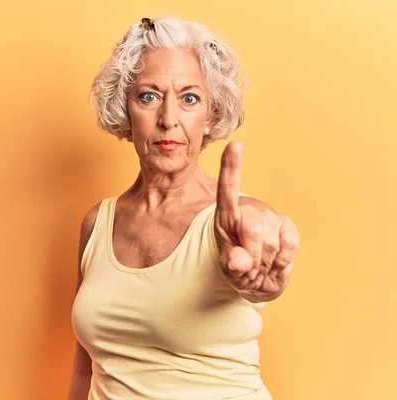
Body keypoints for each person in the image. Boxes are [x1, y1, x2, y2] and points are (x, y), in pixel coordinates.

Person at [69, 16, 300, 400]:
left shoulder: (236, 222)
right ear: (126, 109)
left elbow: (259, 244)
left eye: (189, 98)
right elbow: (84, 368)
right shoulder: (97, 222)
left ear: (210, 115)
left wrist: (260, 285)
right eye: (149, 96)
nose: (168, 119)